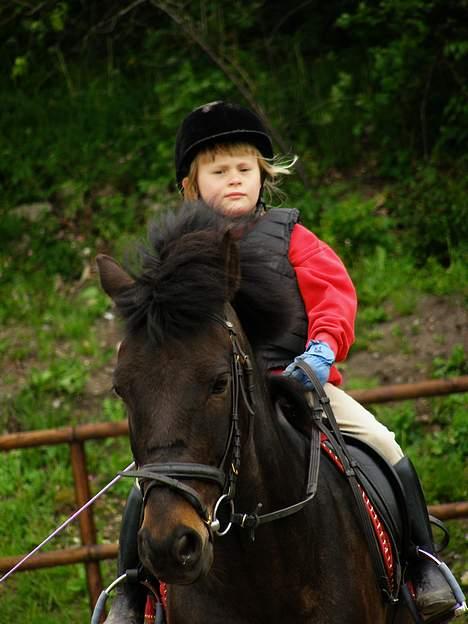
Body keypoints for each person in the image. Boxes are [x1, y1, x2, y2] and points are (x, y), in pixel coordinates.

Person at [107, 101, 466, 624]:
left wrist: (322, 349)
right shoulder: (179, 257)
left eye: (244, 170)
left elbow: (335, 297)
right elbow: (151, 321)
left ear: (263, 175)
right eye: (218, 171)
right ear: (190, 184)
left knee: (384, 446)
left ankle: (421, 563)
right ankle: (132, 593)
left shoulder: (292, 238)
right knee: (152, 487)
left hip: (297, 384)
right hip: (212, 400)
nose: (234, 181)